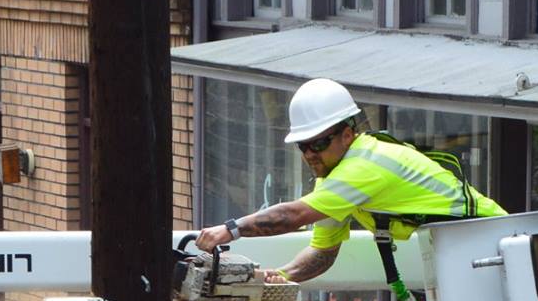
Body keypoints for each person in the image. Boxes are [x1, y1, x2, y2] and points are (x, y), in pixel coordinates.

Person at [195, 78, 504, 285]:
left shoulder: (363, 166)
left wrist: (230, 229)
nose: (310, 154)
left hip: (489, 241)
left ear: (347, 134)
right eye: (303, 146)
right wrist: (274, 277)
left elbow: (293, 216)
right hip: (466, 247)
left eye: (319, 144)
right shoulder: (333, 184)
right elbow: (322, 255)